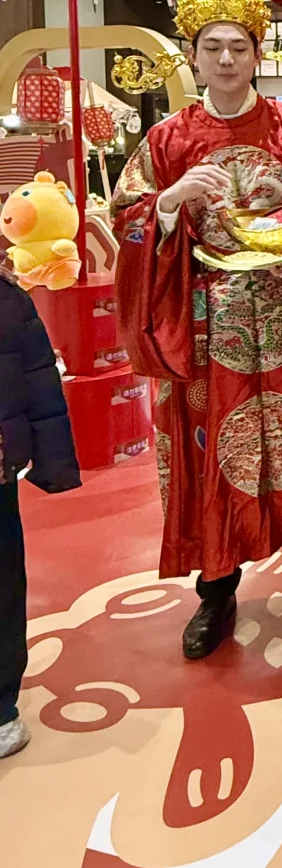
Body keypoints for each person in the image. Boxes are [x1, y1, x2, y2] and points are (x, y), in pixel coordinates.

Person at [112, 0, 282, 661]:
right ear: (193, 56)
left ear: (257, 53)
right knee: (210, 453)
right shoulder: (167, 140)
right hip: (203, 326)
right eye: (212, 47)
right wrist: (168, 202)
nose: (226, 59)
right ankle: (215, 591)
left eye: (238, 47)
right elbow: (127, 219)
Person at [0, 264, 81, 758]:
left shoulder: (7, 295)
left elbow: (35, 372)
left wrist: (52, 459)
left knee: (3, 582)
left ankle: (1, 705)